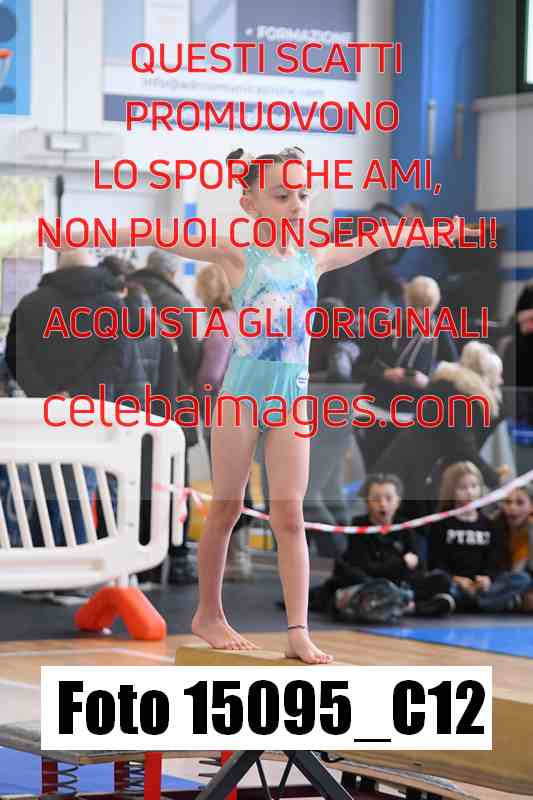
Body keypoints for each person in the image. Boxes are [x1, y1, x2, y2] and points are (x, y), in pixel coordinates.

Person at [48, 145, 480, 663]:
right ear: (249, 202)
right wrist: (87, 231)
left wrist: (437, 230)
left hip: (291, 402)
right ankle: (209, 614)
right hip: (241, 400)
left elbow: (376, 239)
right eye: (281, 195)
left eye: (302, 194)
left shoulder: (313, 257)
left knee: (290, 517)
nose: (296, 204)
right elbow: (161, 233)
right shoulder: (239, 255)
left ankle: (298, 630)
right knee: (226, 508)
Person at [5, 249, 146, 547]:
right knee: (81, 489)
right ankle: (79, 557)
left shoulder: (29, 304)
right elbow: (117, 359)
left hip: (42, 414)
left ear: (58, 266)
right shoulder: (112, 306)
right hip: (89, 414)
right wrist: (78, 394)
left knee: (43, 489)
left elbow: (15, 357)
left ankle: (43, 561)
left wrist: (46, 394)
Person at [374, 341, 508, 520]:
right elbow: (463, 444)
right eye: (497, 375)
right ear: (485, 375)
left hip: (409, 466)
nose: (501, 381)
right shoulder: (460, 398)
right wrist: (492, 477)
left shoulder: (447, 387)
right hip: (416, 473)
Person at [133, 249, 203, 585]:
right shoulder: (178, 305)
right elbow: (194, 359)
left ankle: (137, 559)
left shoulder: (126, 297)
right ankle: (176, 558)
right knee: (175, 482)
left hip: (131, 408)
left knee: (134, 480)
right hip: (173, 407)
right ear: (173, 273)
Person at [310, 473, 455, 617]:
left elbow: (419, 567)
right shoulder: (358, 527)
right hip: (371, 584)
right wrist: (401, 564)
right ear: (367, 501)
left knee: (441, 580)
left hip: (400, 584)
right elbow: (366, 568)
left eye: (388, 498)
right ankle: (412, 606)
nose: (383, 504)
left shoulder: (405, 527)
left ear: (398, 501)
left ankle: (401, 602)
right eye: (376, 499)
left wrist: (401, 570)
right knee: (371, 587)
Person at [355, 275, 459, 468]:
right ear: (406, 300)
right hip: (374, 411)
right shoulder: (385, 323)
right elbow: (359, 368)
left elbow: (454, 376)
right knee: (376, 472)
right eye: (415, 306)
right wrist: (384, 374)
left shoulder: (439, 331)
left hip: (410, 416)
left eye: (425, 307)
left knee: (400, 474)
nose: (419, 314)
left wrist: (427, 382)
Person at [195, 263, 255, 581]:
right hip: (248, 410)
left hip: (222, 413)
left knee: (227, 488)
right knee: (240, 485)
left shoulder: (221, 324)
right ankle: (242, 556)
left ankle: (234, 559)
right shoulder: (246, 320)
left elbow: (211, 375)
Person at [428, 462, 531, 612]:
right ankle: (482, 602)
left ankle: (467, 602)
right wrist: (457, 579)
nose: (470, 492)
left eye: (474, 486)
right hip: (455, 582)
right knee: (438, 578)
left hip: (482, 585)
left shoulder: (490, 524)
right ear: (451, 490)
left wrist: (487, 578)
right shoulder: (441, 524)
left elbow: (496, 560)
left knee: (521, 579)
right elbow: (436, 561)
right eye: (463, 488)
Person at [491, 485, 533, 610]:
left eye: (520, 502)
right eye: (508, 502)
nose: (512, 507)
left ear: (531, 506)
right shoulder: (495, 526)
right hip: (499, 582)